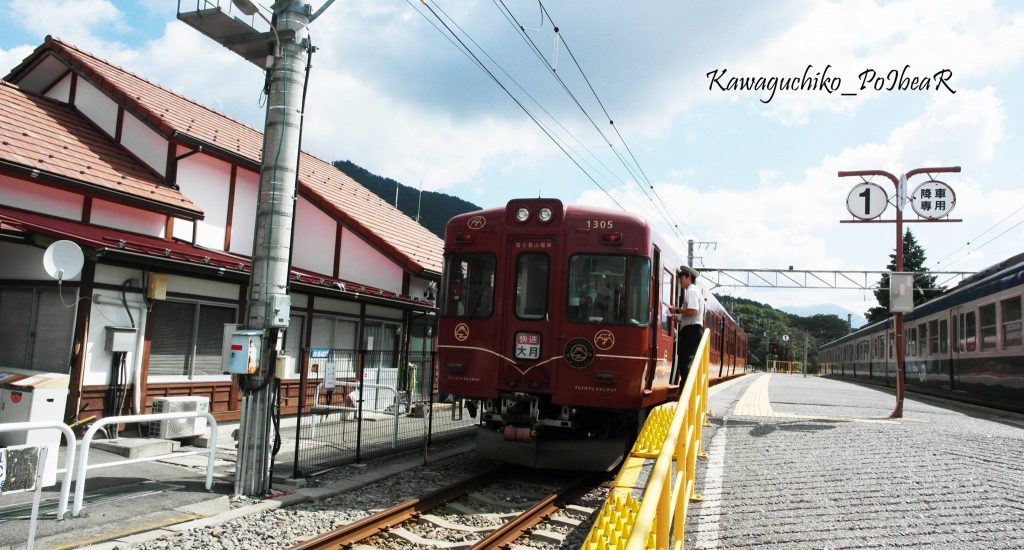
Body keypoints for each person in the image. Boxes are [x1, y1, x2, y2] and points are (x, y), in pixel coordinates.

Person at [669, 265, 704, 383]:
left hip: (691, 331)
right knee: (685, 362)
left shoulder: (691, 290)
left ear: (689, 277)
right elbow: (690, 314)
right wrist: (678, 318)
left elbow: (693, 310)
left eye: (681, 278)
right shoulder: (693, 290)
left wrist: (677, 310)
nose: (680, 281)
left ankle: (685, 394)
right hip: (691, 329)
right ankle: (684, 392)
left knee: (686, 363)